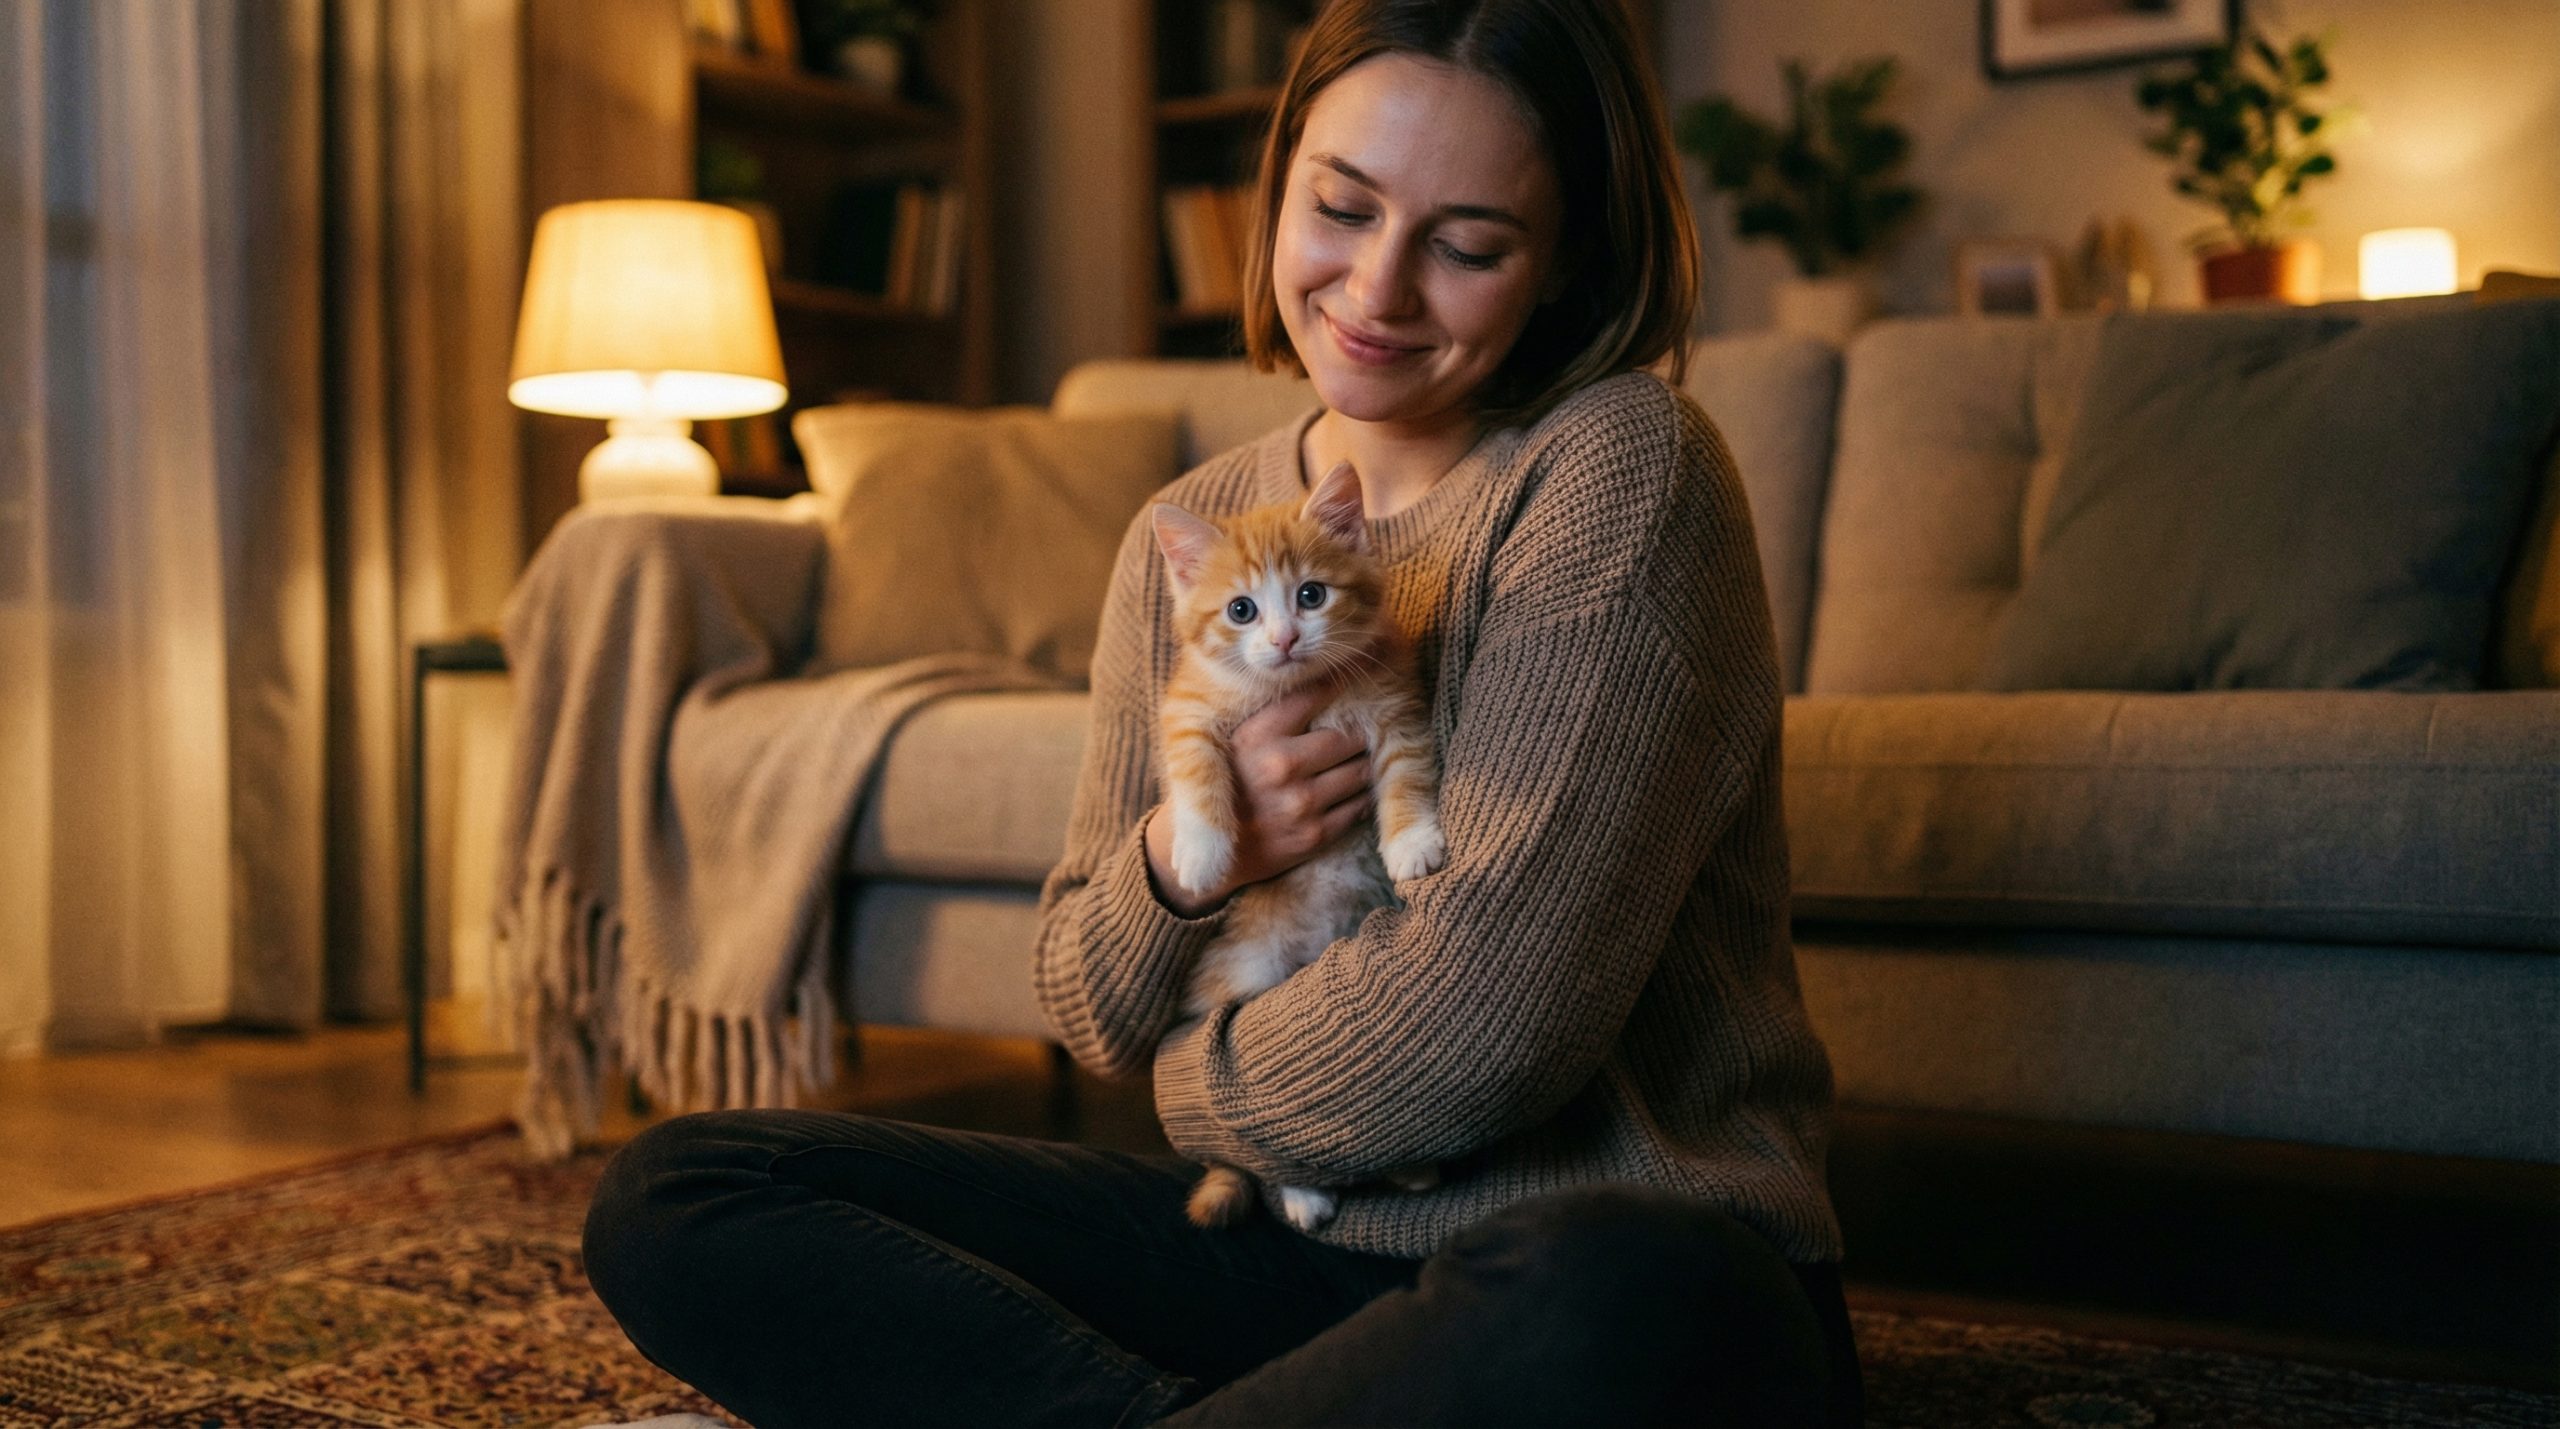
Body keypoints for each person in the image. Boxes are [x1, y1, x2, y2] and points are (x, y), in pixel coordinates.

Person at [580, 1, 1862, 1424]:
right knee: (684, 1192)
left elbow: (1484, 1036)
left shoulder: (1622, 469)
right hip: (1288, 1239)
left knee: (1621, 1290)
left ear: (1562, 268)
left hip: (1594, 1264)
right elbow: (1084, 989)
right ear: (1279, 184)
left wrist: (1199, 1089)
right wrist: (1213, 848)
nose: (1378, 289)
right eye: (1343, 206)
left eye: (1468, 243)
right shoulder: (1186, 534)